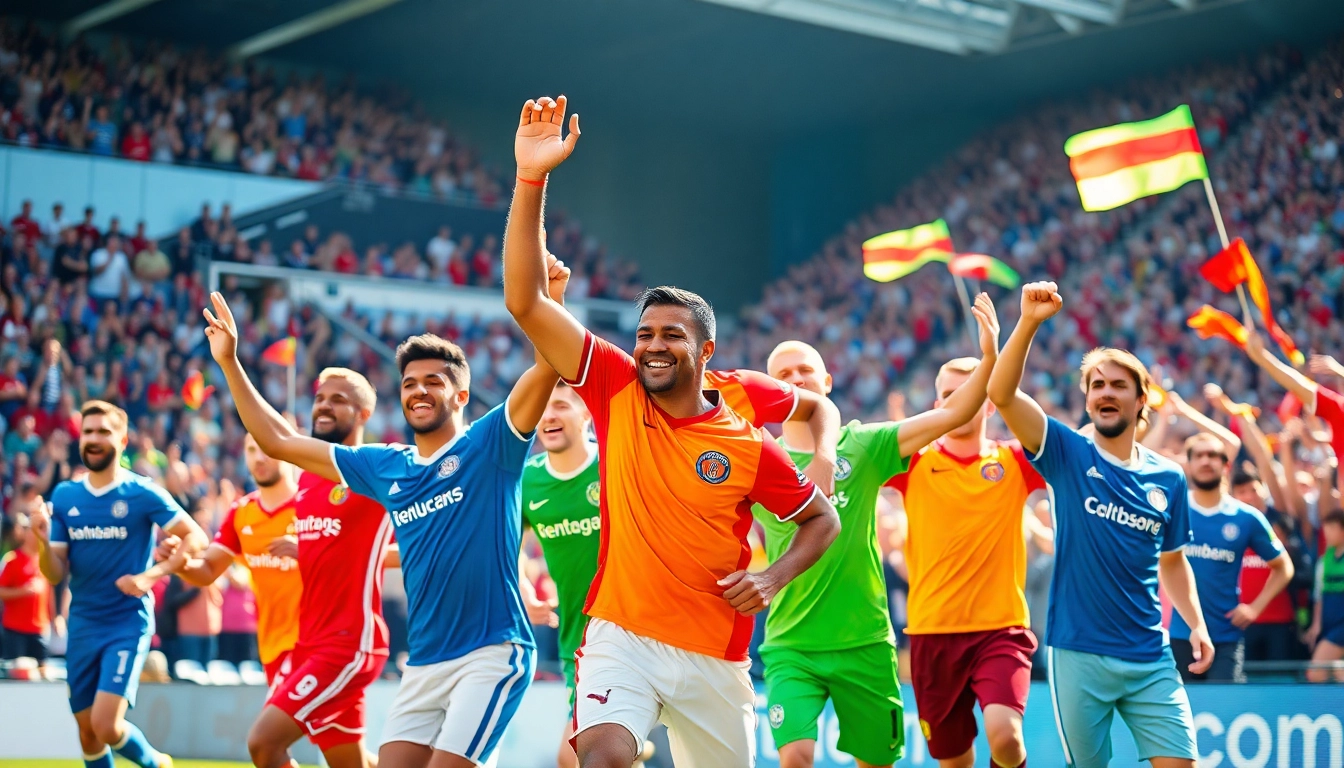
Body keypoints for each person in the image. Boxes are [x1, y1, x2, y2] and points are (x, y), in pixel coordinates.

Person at [503, 94, 840, 768]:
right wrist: (531, 179)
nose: (653, 345)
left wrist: (772, 578)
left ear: (707, 352)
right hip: (619, 635)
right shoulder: (615, 385)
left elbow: (821, 520)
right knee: (600, 757)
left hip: (715, 652)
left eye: (672, 335)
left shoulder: (747, 443)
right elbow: (525, 301)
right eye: (645, 333)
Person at [204, 260, 567, 768]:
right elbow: (279, 441)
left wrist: (550, 306)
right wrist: (229, 362)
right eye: (410, 382)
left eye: (434, 381)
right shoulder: (384, 466)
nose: (419, 389)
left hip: (492, 652)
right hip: (423, 663)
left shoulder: (491, 445)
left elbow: (547, 367)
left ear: (461, 394)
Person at [756, 293, 1011, 768]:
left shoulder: (867, 444)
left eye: (805, 371)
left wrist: (991, 357)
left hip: (866, 642)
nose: (795, 379)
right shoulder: (755, 457)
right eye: (783, 375)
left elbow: (953, 415)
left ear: (827, 381)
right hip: (792, 643)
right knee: (794, 758)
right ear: (771, 390)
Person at [986, 282, 1211, 768]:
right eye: (1097, 386)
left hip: (1150, 654)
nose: (1106, 393)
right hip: (1078, 653)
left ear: (1140, 401)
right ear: (1088, 400)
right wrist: (1028, 322)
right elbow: (1001, 393)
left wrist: (1195, 622)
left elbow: (1173, 562)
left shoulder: (1169, 477)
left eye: (1118, 386)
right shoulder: (1067, 453)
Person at [171, 361, 392, 768]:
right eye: (320, 398)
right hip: (302, 646)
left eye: (338, 400)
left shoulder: (376, 470)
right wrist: (180, 562)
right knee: (350, 762)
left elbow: (406, 546)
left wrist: (230, 362)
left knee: (263, 744)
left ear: (364, 414)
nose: (324, 407)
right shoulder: (306, 480)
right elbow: (205, 570)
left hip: (346, 644)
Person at [884, 330, 1044, 768]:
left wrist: (998, 357)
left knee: (1006, 739)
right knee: (955, 761)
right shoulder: (912, 462)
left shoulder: (1015, 461)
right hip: (932, 634)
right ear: (937, 407)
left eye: (972, 391)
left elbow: (1068, 448)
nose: (962, 401)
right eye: (950, 394)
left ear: (990, 402)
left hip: (1001, 629)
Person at [29, 400, 209, 768]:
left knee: (106, 725)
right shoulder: (65, 496)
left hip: (126, 623)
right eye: (88, 431)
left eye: (103, 432)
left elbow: (196, 538)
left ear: (123, 440)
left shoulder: (142, 492)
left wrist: (151, 576)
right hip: (82, 625)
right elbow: (52, 572)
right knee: (88, 733)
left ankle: (156, 763)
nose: (94, 439)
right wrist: (43, 539)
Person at [171, 434, 301, 685]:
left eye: (266, 449)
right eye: (251, 450)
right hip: (270, 649)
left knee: (273, 725)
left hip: (314, 647)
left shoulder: (312, 507)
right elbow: (208, 569)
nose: (259, 457)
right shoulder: (241, 512)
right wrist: (181, 563)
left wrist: (308, 552)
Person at [1173, 432, 1292, 682]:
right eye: (1199, 456)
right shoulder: (1174, 510)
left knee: (1223, 714)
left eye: (1213, 455)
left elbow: (1283, 567)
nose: (1206, 461)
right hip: (1180, 635)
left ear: (1226, 465)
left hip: (1226, 637)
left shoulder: (1247, 518)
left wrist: (1255, 608)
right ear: (1189, 464)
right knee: (1181, 717)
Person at [0, 511, 53, 677]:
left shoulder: (46, 560)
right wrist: (22, 591)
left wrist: (53, 617)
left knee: (44, 674)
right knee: (18, 674)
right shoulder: (13, 559)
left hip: (39, 629)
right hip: (15, 629)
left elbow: (50, 592)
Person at [1307, 509, 1344, 682]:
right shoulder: (1324, 560)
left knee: (1316, 672)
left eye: (1332, 528)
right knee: (1339, 673)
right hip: (1330, 625)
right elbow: (1319, 595)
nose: (1326, 533)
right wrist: (1316, 625)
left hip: (1341, 628)